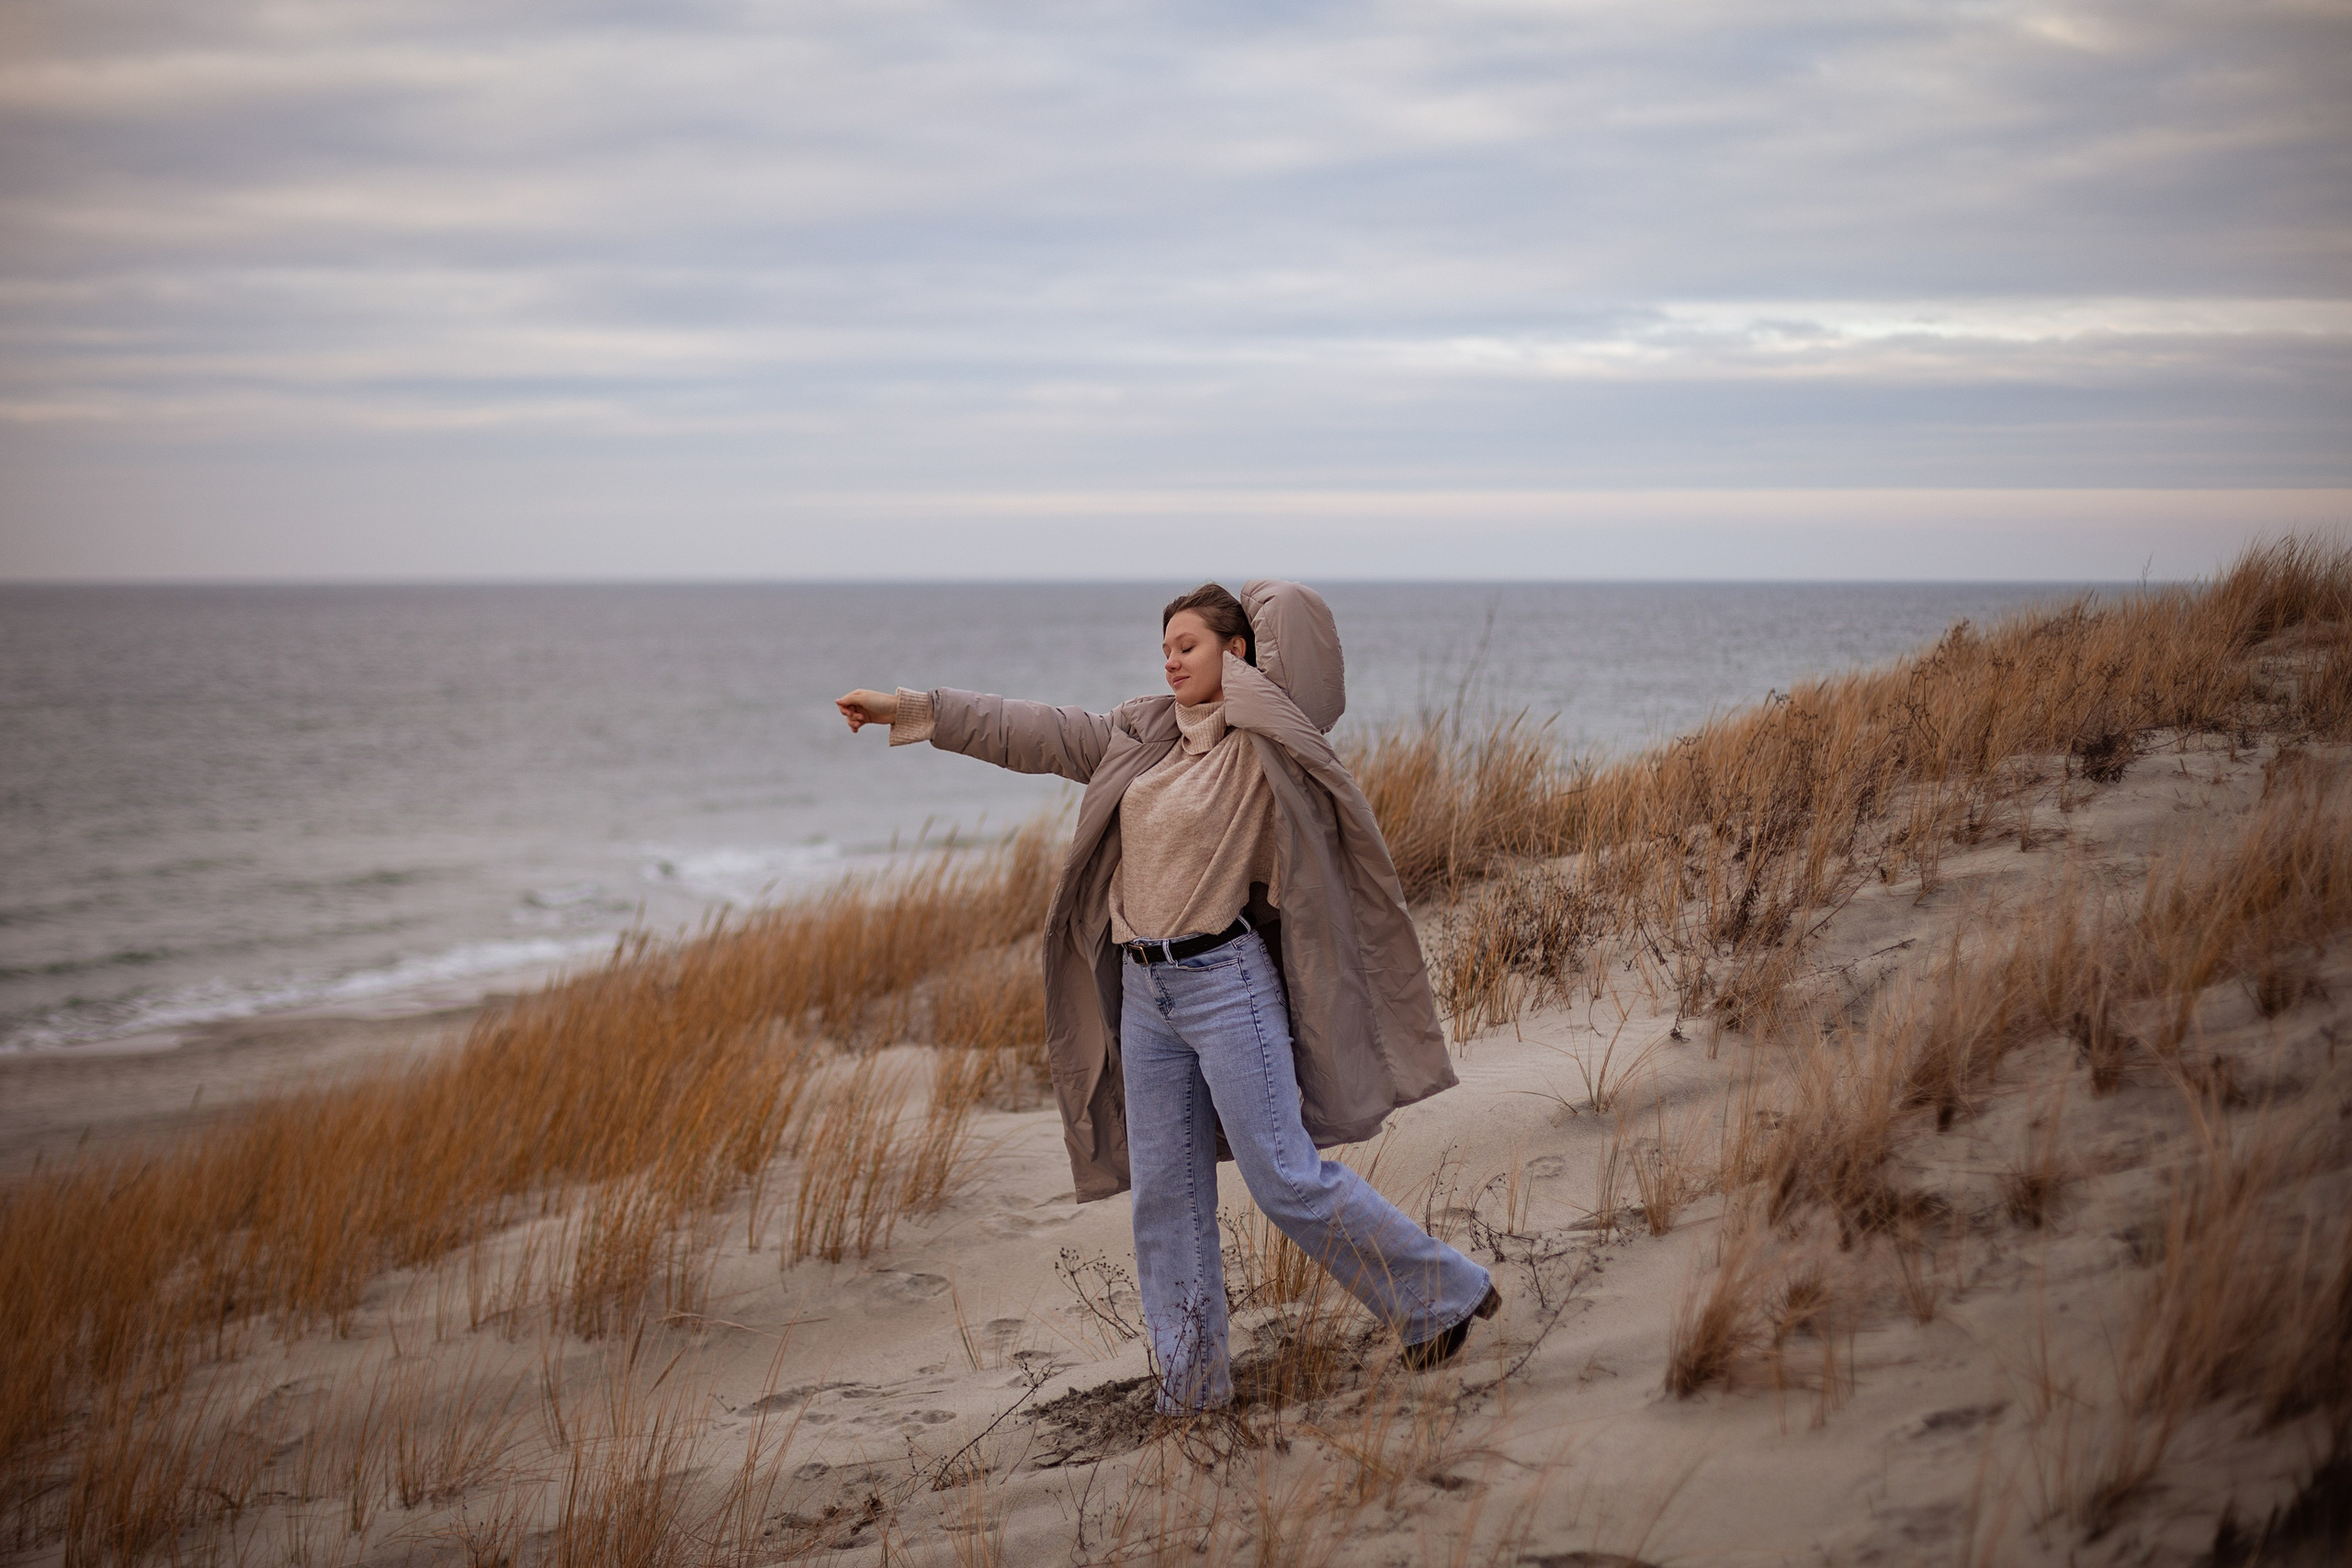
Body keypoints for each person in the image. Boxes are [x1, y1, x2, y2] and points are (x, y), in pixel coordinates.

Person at [835, 581, 1497, 1412]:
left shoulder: (1273, 740)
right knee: (1167, 1198)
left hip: (1228, 984)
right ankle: (1192, 1388)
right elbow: (1029, 731)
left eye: (1189, 643)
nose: (1171, 658)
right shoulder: (1139, 733)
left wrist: (1256, 606)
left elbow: (1309, 669)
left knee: (1285, 1179)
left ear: (1241, 652)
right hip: (1147, 995)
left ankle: (1442, 1295)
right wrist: (913, 708)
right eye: (1165, 646)